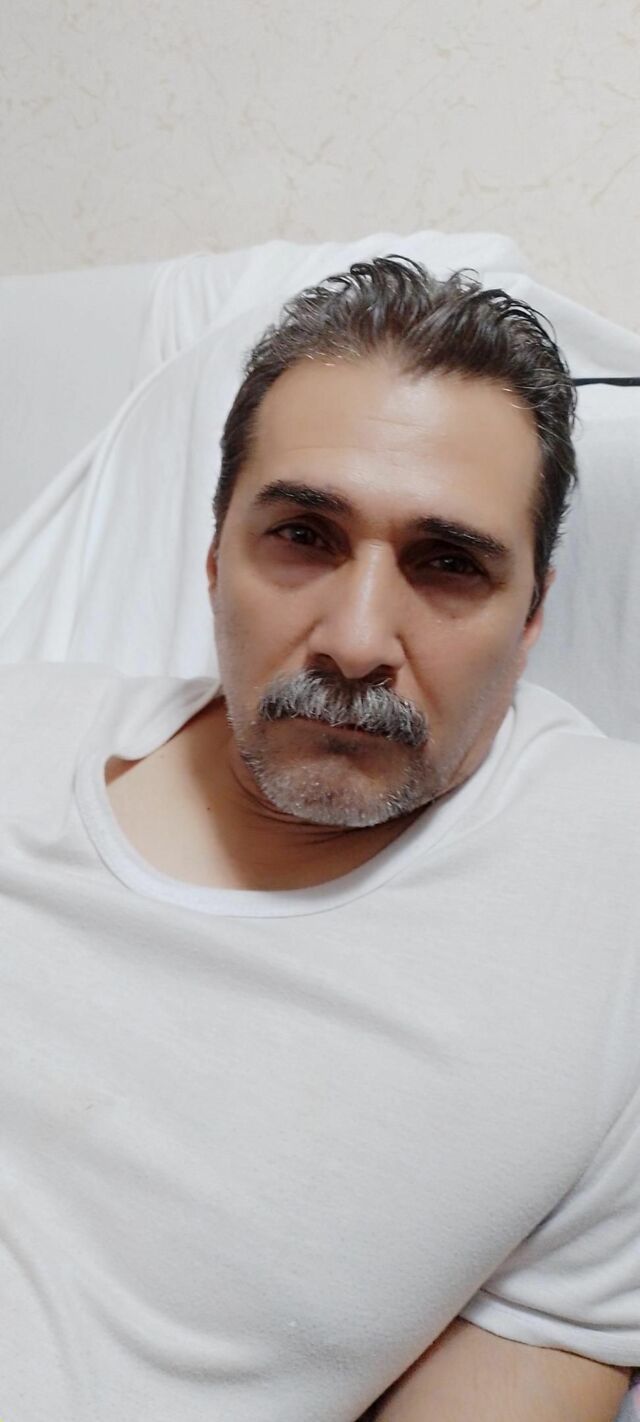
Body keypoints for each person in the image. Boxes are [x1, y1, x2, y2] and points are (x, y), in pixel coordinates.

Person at [0, 256, 638, 1422]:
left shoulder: (605, 909)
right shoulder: (19, 728)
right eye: (302, 535)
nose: (355, 639)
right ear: (213, 560)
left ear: (534, 616)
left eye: (448, 563)